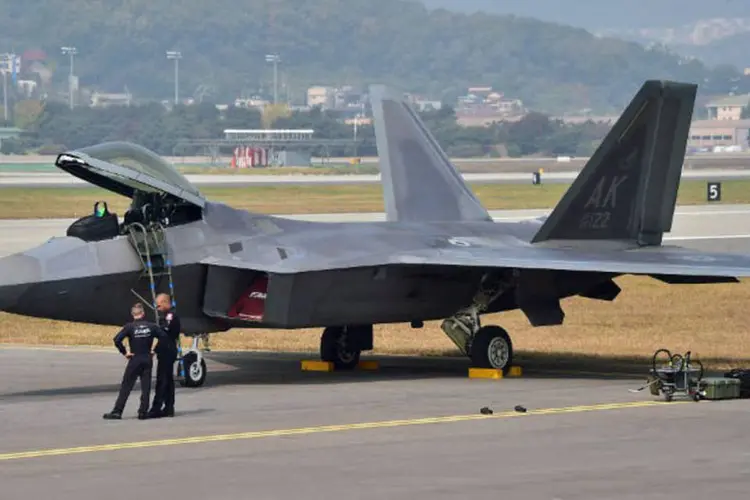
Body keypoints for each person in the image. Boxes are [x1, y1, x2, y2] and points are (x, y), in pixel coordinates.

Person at [103, 303, 164, 420]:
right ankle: (143, 412)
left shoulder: (129, 327)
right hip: (147, 358)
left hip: (135, 358)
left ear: (132, 314)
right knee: (146, 387)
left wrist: (125, 352)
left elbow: (117, 340)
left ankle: (117, 411)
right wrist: (154, 350)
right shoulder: (151, 326)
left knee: (126, 386)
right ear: (143, 314)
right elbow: (163, 337)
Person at [148, 293, 181, 418]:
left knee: (162, 380)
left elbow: (164, 333)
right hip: (166, 348)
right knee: (168, 380)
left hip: (167, 350)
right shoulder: (167, 315)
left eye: (159, 304)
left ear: (166, 302)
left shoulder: (170, 316)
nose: (157, 307)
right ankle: (168, 407)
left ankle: (156, 408)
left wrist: (154, 329)